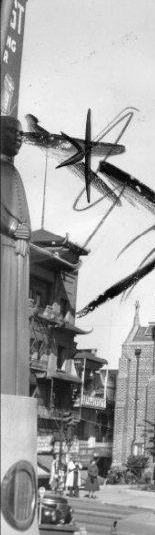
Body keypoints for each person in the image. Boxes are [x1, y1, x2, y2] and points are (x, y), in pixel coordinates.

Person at [1, 116, 32, 397]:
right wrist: (12, 229)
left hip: (18, 252)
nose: (19, 138)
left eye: (22, 134)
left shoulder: (15, 173)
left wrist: (25, 232)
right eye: (13, 132)